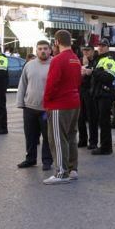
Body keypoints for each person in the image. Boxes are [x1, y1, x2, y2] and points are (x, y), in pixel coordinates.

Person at [43, 30, 83, 184]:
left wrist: (47, 102)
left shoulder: (58, 60)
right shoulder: (75, 59)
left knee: (58, 138)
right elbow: (78, 81)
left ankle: (61, 172)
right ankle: (72, 169)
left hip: (59, 104)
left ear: (57, 41)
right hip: (74, 102)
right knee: (71, 137)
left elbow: (51, 84)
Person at [16, 40, 54, 171]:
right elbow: (23, 84)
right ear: (36, 51)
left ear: (50, 50)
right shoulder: (29, 65)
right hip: (29, 107)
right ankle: (30, 159)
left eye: (45, 48)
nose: (42, 51)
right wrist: (20, 103)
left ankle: (47, 161)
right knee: (30, 135)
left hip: (47, 109)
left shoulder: (55, 64)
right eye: (40, 49)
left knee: (48, 136)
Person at [90, 41, 115, 155]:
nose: (100, 48)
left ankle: (106, 147)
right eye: (99, 46)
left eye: (103, 46)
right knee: (101, 121)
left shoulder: (110, 60)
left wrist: (94, 72)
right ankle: (104, 145)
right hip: (99, 94)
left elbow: (109, 77)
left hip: (105, 95)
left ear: (108, 47)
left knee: (105, 121)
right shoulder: (99, 60)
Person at [78, 45, 95, 148]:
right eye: (84, 51)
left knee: (92, 117)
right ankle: (82, 139)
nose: (85, 53)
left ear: (92, 51)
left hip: (91, 91)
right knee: (80, 117)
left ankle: (92, 141)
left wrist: (87, 66)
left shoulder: (96, 61)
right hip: (81, 90)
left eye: (88, 51)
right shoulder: (79, 61)